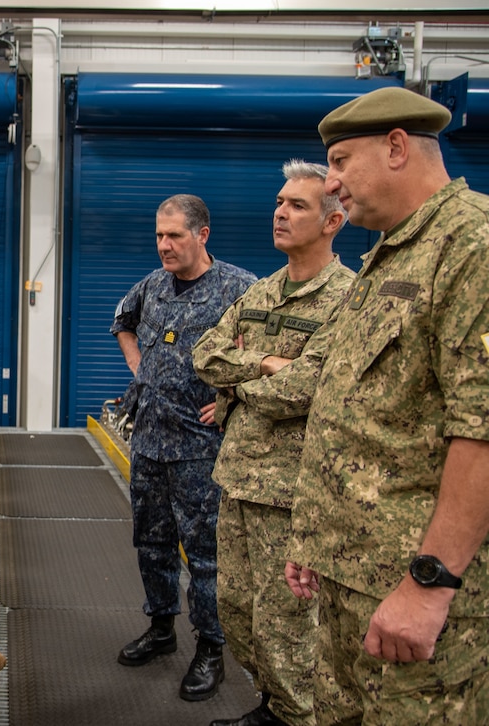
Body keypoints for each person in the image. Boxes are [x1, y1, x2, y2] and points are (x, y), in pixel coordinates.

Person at [284, 86, 489, 724]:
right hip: (353, 578)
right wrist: (315, 538)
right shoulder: (392, 252)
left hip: (418, 596)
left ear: (397, 147)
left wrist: (431, 584)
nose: (333, 183)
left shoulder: (471, 246)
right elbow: (359, 411)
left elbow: (480, 433)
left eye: (342, 162)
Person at [193, 159, 354, 726]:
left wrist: (244, 381)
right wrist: (264, 363)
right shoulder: (262, 291)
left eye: (298, 205)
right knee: (239, 614)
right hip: (238, 479)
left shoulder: (348, 299)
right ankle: (274, 709)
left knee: (289, 626)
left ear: (334, 220)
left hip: (294, 494)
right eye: (280, 202)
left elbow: (306, 389)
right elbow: (205, 356)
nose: (280, 213)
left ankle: (298, 716)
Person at [110, 194, 256, 702]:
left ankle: (211, 647)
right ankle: (161, 627)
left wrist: (233, 394)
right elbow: (122, 323)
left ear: (203, 234)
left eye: (174, 235)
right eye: (158, 235)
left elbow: (270, 356)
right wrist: (140, 369)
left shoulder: (240, 289)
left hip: (201, 449)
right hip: (148, 441)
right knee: (151, 544)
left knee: (206, 557)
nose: (164, 245)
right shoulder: (151, 286)